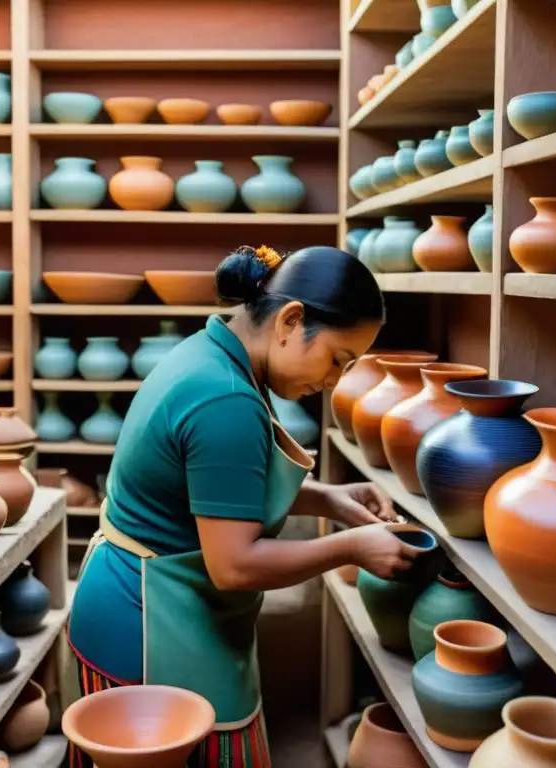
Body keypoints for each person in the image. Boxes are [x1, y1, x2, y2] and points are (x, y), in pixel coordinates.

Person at [67, 244, 420, 767]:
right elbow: (234, 565)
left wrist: (331, 500)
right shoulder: (226, 399)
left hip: (137, 597)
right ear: (290, 320)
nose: (333, 382)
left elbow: (216, 489)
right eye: (337, 360)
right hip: (149, 624)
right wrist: (351, 547)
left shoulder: (212, 353)